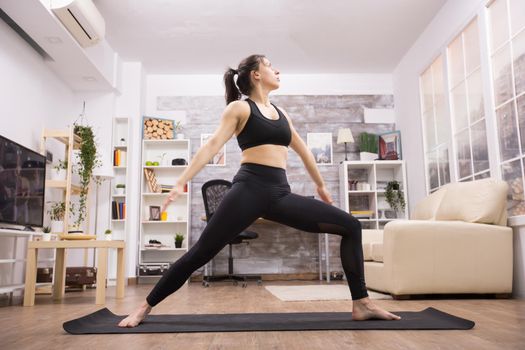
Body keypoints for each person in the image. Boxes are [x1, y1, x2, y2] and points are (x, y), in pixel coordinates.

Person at [118, 54, 401, 327]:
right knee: (200, 253)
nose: (276, 70)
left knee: (351, 225)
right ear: (256, 74)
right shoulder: (240, 108)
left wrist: (322, 185)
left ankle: (361, 303)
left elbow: (304, 152)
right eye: (270, 66)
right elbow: (212, 145)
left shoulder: (282, 114)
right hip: (248, 190)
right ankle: (144, 307)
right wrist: (182, 180)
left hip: (280, 193)